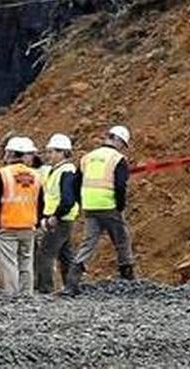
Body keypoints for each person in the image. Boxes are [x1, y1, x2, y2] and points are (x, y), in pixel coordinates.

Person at [64, 126, 135, 295]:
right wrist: (120, 205)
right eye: (123, 144)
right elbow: (120, 185)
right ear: (118, 140)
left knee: (88, 243)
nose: (122, 147)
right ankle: (128, 279)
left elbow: (75, 183)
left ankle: (71, 284)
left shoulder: (87, 157)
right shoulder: (118, 159)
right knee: (122, 240)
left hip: (90, 207)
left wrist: (82, 202)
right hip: (109, 206)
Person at [0, 136, 44, 296]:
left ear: (11, 154)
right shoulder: (36, 176)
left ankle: (12, 295)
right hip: (28, 225)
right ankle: (27, 293)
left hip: (6, 225)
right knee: (26, 262)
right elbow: (40, 202)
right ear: (25, 155)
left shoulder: (2, 174)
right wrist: (37, 223)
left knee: (9, 262)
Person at [35, 133, 79, 294]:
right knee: (65, 254)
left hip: (59, 220)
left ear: (63, 153)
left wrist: (55, 216)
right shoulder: (58, 170)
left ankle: (45, 289)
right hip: (63, 219)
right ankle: (71, 286)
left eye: (52, 152)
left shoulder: (66, 171)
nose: (49, 155)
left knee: (45, 254)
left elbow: (67, 199)